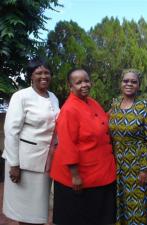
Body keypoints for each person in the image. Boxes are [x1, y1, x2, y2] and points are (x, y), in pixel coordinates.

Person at [50, 68, 116, 225]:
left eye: (86, 80)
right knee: (79, 219)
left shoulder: (92, 102)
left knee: (98, 217)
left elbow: (98, 122)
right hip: (79, 176)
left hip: (100, 172)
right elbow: (67, 144)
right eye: (78, 82)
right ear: (70, 86)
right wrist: (75, 175)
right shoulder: (69, 109)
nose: (84, 85)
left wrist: (114, 112)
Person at [2, 59, 59, 225]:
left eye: (47, 72)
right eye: (38, 73)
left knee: (39, 212)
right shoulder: (21, 96)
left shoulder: (53, 97)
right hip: (24, 164)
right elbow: (11, 131)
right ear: (31, 76)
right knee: (25, 213)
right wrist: (14, 164)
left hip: (46, 162)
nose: (43, 76)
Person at [109, 69, 147, 225]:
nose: (129, 84)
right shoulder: (115, 104)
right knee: (122, 204)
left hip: (139, 165)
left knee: (138, 206)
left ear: (139, 85)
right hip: (119, 164)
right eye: (126, 81)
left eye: (133, 81)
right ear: (120, 83)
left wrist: (145, 168)